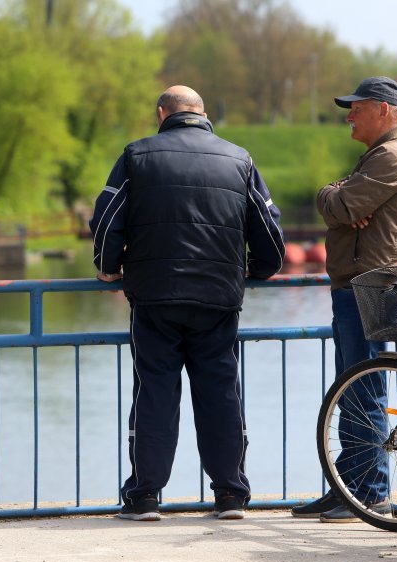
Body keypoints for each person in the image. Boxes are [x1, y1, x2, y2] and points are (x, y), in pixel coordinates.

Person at [89, 85, 285, 521]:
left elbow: (106, 219)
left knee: (155, 392)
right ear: (203, 113)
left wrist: (107, 266)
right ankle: (231, 495)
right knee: (220, 394)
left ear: (162, 113)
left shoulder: (137, 156)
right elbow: (269, 230)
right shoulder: (239, 159)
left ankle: (145, 497)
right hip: (218, 298)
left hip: (155, 297)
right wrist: (259, 269)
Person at [291, 76, 397, 522]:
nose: (348, 115)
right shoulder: (379, 156)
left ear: (384, 111)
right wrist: (341, 193)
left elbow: (340, 207)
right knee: (350, 392)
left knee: (363, 390)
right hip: (358, 287)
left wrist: (334, 194)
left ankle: (370, 495)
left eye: (357, 107)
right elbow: (345, 203)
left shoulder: (392, 157)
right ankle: (348, 491)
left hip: (371, 288)